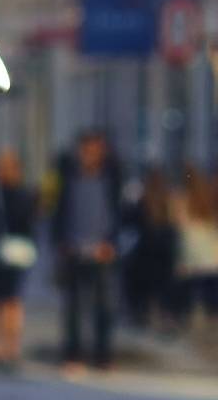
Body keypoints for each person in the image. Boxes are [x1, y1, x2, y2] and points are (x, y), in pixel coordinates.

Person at [52, 131, 127, 374]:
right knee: (73, 306)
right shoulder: (67, 176)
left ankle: (103, 355)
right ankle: (73, 355)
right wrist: (61, 242)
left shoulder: (113, 178)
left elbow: (120, 214)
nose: (89, 154)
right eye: (86, 149)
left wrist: (112, 244)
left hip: (103, 250)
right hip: (73, 248)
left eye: (95, 149)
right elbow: (58, 211)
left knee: (104, 306)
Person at [0, 151, 38, 370]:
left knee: (10, 304)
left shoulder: (20, 195)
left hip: (11, 255)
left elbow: (28, 224)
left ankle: (8, 348)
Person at [124, 169, 181, 333]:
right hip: (165, 251)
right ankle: (166, 317)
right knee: (165, 288)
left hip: (147, 251)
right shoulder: (167, 201)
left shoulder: (142, 201)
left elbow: (129, 220)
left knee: (144, 287)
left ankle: (143, 315)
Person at [175, 169, 218, 335]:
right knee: (210, 295)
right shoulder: (208, 200)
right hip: (211, 255)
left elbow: (180, 225)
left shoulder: (182, 201)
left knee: (193, 293)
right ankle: (210, 322)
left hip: (192, 254)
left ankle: (195, 323)